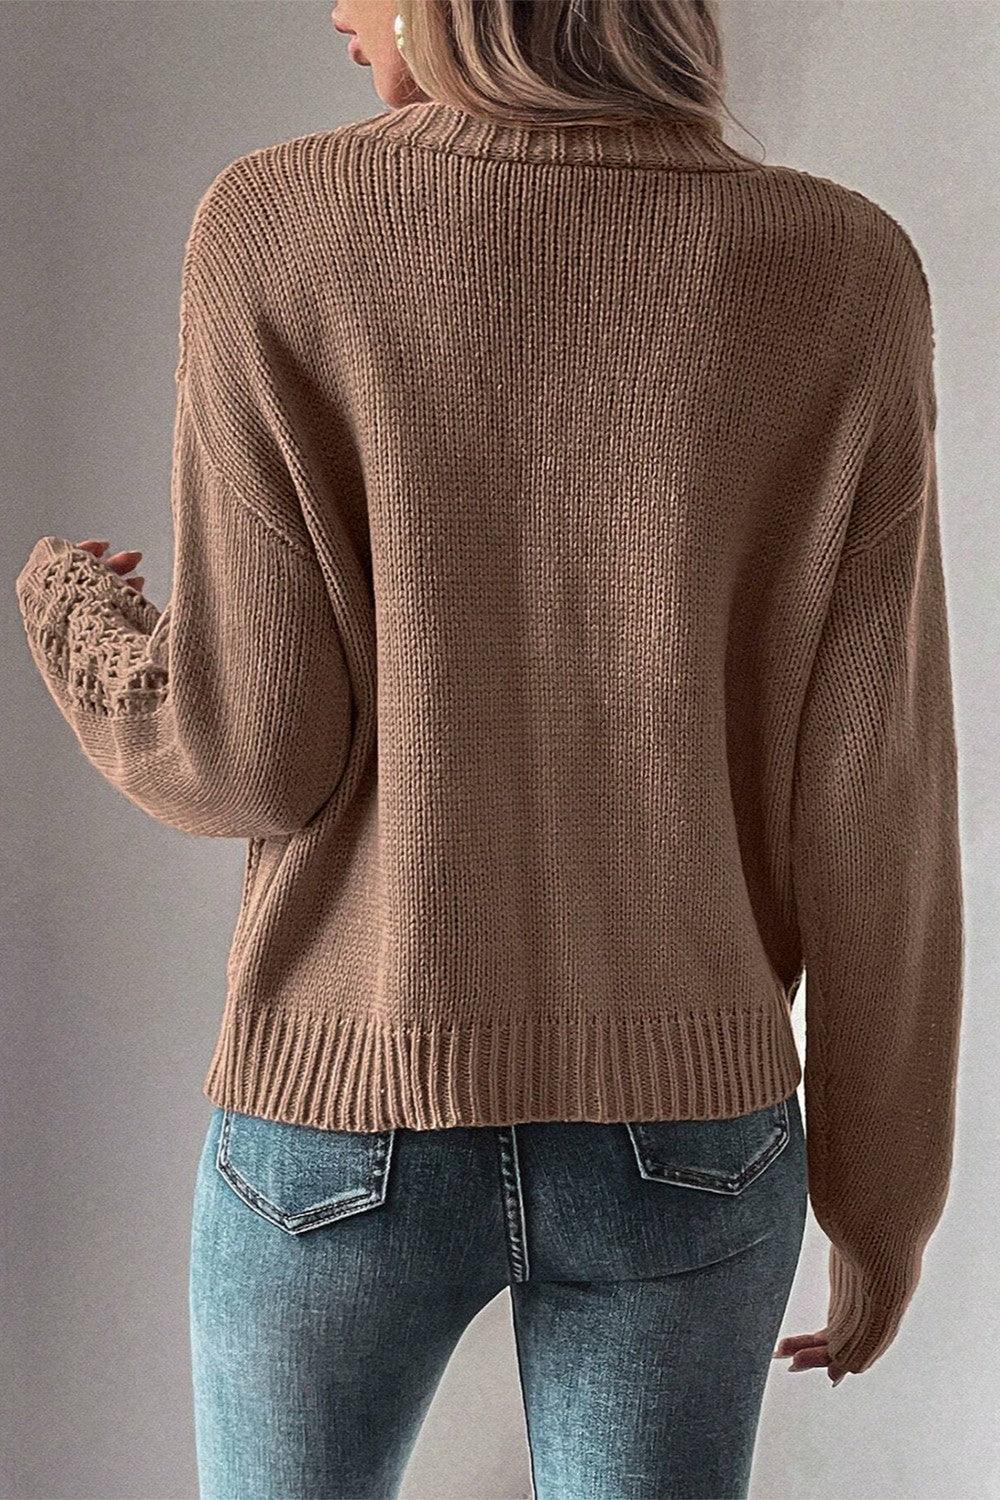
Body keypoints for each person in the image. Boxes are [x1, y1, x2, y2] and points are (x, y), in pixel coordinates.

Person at [13, 1, 964, 1496]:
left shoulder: (273, 226)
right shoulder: (841, 266)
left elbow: (251, 753)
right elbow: (874, 800)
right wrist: (881, 1197)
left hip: (345, 1108)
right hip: (687, 1132)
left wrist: (74, 614)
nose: (336, 10)